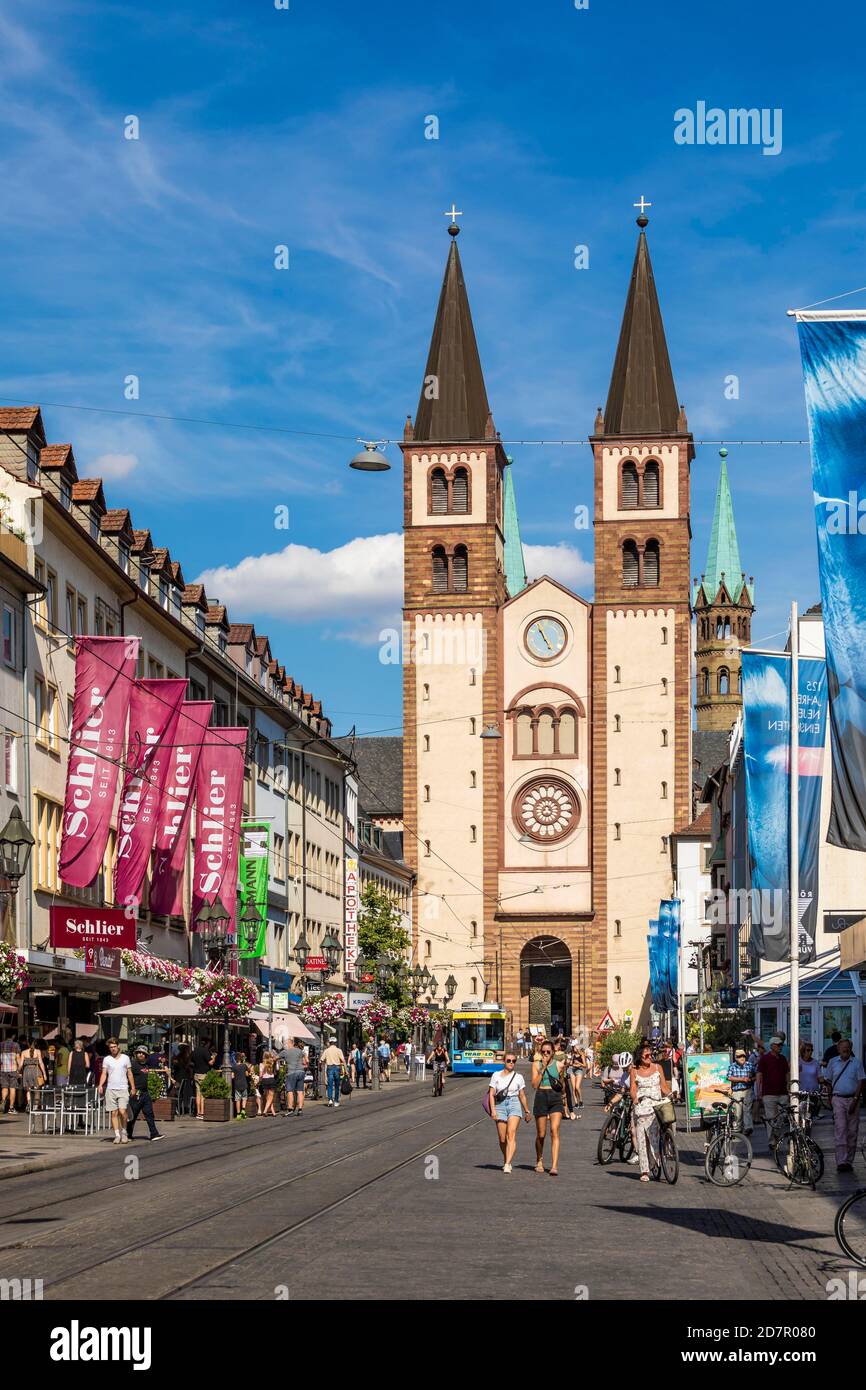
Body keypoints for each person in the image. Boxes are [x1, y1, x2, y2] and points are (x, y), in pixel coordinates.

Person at [629, 1041, 671, 1182]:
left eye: (650, 1053)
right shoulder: (634, 1070)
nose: (649, 1056)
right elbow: (633, 1090)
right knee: (642, 1139)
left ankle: (655, 1162)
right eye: (646, 1054)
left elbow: (664, 1087)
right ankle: (645, 1170)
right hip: (642, 1107)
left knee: (653, 1138)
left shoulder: (658, 1067)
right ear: (640, 1057)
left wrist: (672, 1094)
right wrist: (635, 1098)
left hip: (657, 1106)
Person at [824, 1038, 865, 1173]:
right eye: (843, 1047)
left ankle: (849, 1161)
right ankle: (841, 1161)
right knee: (841, 1129)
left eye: (848, 1047)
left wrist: (855, 1099)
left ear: (851, 1048)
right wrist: (830, 1098)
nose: (845, 1049)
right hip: (838, 1099)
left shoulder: (856, 1063)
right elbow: (828, 1081)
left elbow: (860, 1082)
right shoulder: (832, 1062)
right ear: (838, 1049)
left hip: (853, 1099)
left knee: (852, 1132)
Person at [488, 1050, 531, 1172]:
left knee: (510, 1134)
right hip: (500, 1105)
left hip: (514, 1104)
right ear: (504, 1061)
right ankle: (506, 1158)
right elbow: (491, 1094)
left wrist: (527, 1111)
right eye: (509, 1061)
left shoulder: (519, 1077)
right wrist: (493, 1111)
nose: (511, 1063)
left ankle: (507, 1163)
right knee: (502, 1139)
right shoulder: (495, 1075)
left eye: (514, 1061)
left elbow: (522, 1095)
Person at [531, 1040, 565, 1176]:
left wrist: (565, 1099)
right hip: (541, 1096)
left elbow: (562, 1085)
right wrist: (543, 1069)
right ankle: (539, 1160)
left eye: (548, 1052)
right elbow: (534, 1085)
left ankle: (554, 1165)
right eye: (543, 1052)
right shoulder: (536, 1065)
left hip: (555, 1098)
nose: (545, 1054)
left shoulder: (559, 1065)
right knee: (541, 1134)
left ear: (553, 1053)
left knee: (554, 1130)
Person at [98, 1036, 134, 1144]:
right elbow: (104, 1073)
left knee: (123, 1111)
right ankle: (117, 1135)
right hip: (111, 1088)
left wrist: (133, 1087)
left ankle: (124, 1132)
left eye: (114, 1046)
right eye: (111, 1047)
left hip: (123, 1088)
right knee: (113, 1113)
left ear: (118, 1046)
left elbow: (129, 1073)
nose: (113, 1048)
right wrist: (100, 1085)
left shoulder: (125, 1058)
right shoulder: (107, 1059)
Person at [126, 1045, 164, 1142]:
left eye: (143, 1053)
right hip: (136, 1094)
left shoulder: (146, 1065)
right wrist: (132, 1089)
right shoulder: (133, 1065)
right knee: (132, 1116)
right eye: (139, 1053)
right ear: (136, 1054)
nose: (141, 1055)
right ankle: (128, 1134)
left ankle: (154, 1134)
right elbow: (128, 1077)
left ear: (146, 1055)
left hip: (145, 1093)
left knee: (149, 1114)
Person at [756, 1034, 789, 1139]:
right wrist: (759, 1090)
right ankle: (772, 1141)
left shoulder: (783, 1058)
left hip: (783, 1092)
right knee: (771, 1117)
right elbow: (759, 1074)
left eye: (781, 1045)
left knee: (782, 1116)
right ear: (772, 1046)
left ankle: (776, 1135)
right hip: (769, 1093)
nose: (780, 1047)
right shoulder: (764, 1059)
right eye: (778, 1045)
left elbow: (787, 1073)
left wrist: (789, 1086)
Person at [725, 1046, 756, 1135]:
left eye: (743, 1056)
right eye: (739, 1056)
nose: (742, 1058)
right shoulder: (732, 1066)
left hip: (747, 1090)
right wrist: (742, 1079)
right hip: (737, 1091)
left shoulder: (750, 1065)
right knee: (737, 1112)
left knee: (747, 1110)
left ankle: (748, 1128)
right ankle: (737, 1128)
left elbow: (756, 1075)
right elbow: (729, 1077)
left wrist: (751, 1079)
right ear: (736, 1057)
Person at [281, 1038, 307, 1116]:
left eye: (286, 1044)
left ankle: (290, 1109)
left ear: (289, 1044)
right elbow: (306, 1061)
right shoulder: (300, 1051)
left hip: (291, 1073)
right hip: (301, 1072)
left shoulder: (285, 1052)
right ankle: (300, 1109)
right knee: (300, 1091)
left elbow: (274, 1058)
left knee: (290, 1091)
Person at [192, 1035, 215, 1120]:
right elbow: (211, 1063)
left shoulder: (195, 1050)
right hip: (203, 1075)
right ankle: (202, 1112)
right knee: (203, 1094)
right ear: (207, 1043)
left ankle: (198, 1112)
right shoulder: (205, 1051)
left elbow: (192, 1062)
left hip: (196, 1074)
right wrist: (214, 1057)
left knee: (198, 1094)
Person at [19, 1040, 46, 1110]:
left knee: (28, 1090)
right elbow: (41, 1063)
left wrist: (18, 1071)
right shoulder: (38, 1051)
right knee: (37, 1090)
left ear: (28, 1044)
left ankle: (29, 1104)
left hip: (27, 1071)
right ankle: (35, 1107)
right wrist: (44, 1074)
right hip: (36, 1071)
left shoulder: (23, 1052)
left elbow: (21, 1064)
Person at [321, 1039, 347, 1107]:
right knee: (337, 1085)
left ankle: (330, 1100)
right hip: (337, 1068)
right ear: (335, 1043)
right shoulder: (339, 1050)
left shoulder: (326, 1050)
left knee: (330, 1085)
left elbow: (321, 1060)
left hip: (329, 1068)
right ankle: (336, 1101)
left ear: (330, 1043)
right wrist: (346, 1071)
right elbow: (343, 1060)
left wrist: (321, 1065)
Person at [0, 1034, 20, 1116]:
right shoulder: (15, 1045)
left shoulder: (1, 1044)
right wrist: (19, 1069)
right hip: (13, 1069)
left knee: (4, 1087)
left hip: (3, 1069)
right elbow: (18, 1058)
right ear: (13, 1036)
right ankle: (11, 1108)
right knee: (12, 1088)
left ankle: (3, 1100)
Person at [258, 1051, 278, 1116]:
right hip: (271, 1080)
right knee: (271, 1097)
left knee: (268, 1097)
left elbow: (260, 1075)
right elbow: (277, 1070)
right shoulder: (272, 1063)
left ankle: (273, 1112)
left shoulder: (261, 1064)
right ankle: (265, 1110)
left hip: (264, 1080)